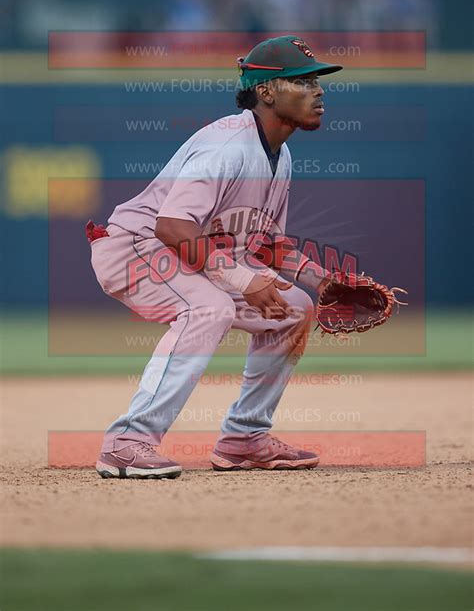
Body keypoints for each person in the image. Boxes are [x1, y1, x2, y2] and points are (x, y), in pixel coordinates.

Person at [88, 35, 343, 479]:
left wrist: (323, 281)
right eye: (302, 81)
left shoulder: (280, 156)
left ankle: (245, 438)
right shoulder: (227, 146)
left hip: (186, 254)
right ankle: (127, 442)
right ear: (266, 91)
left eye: (317, 81)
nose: (318, 90)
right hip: (136, 246)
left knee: (294, 308)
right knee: (209, 307)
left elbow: (264, 245)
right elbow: (172, 227)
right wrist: (246, 282)